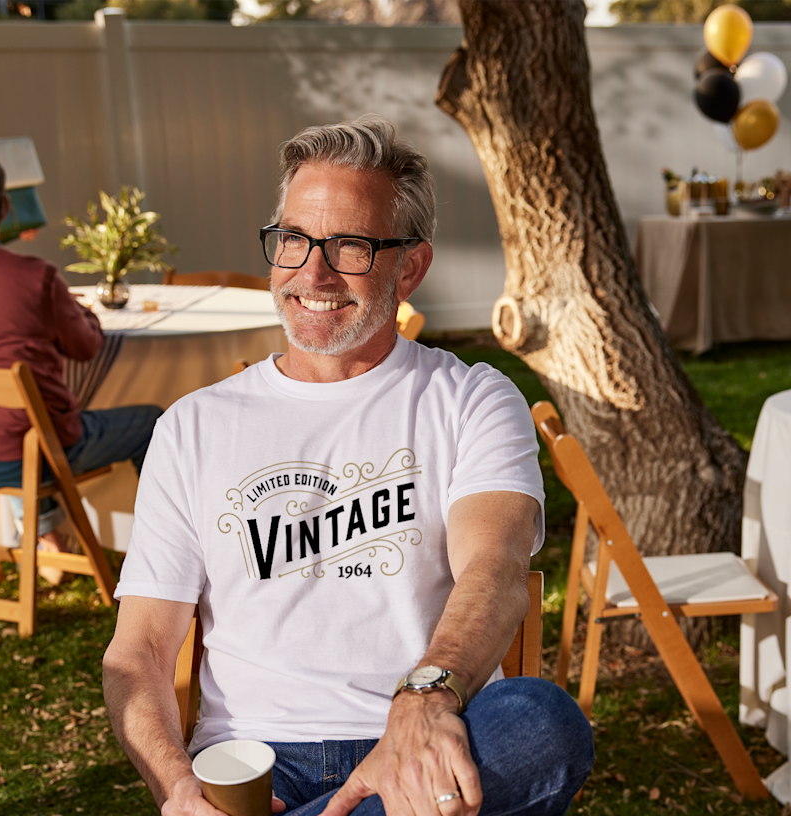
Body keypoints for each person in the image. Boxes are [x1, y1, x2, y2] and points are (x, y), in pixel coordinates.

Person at [103, 115, 594, 816]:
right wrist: (178, 790)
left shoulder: (470, 398)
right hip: (253, 763)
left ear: (412, 266)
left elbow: (496, 570)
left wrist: (424, 701)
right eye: (295, 239)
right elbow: (138, 653)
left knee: (541, 723)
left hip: (419, 733)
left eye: (351, 247)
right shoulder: (194, 426)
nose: (313, 273)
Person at [0, 154, 162, 583]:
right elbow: (86, 347)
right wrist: (84, 315)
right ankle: (167, 553)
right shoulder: (33, 277)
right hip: (28, 452)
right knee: (152, 422)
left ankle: (45, 538)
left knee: (21, 421)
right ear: (4, 209)